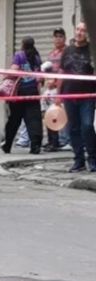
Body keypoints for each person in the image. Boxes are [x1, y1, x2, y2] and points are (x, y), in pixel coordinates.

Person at [59, 22, 96, 172]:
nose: (80, 32)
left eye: (83, 30)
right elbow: (61, 72)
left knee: (87, 126)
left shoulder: (92, 51)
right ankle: (78, 160)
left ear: (87, 34)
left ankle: (93, 159)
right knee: (73, 129)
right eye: (78, 29)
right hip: (69, 95)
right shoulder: (67, 50)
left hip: (87, 96)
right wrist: (58, 95)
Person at [2, 37, 43, 155]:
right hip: (33, 92)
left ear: (23, 45)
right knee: (34, 119)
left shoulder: (19, 55)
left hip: (19, 93)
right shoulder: (37, 57)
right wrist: (38, 93)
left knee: (14, 120)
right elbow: (39, 77)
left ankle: (7, 144)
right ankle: (35, 146)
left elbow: (13, 71)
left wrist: (4, 80)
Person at [45, 28, 70, 151]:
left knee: (62, 115)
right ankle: (52, 141)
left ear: (64, 38)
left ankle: (64, 140)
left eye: (60, 36)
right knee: (49, 115)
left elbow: (65, 72)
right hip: (51, 88)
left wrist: (56, 84)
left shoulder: (67, 52)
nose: (58, 39)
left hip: (62, 89)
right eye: (55, 36)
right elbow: (48, 70)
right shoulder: (52, 54)